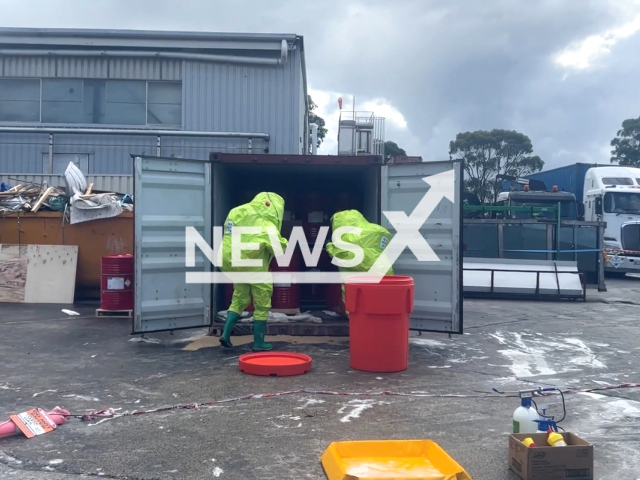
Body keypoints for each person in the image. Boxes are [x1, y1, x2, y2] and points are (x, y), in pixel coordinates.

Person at [219, 192, 288, 351]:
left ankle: (226, 334)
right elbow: (278, 249)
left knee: (239, 298)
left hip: (234, 263)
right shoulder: (267, 222)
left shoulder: (236, 212)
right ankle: (258, 343)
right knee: (262, 303)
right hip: (255, 267)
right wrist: (285, 241)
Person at [325, 210, 394, 314]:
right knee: (381, 303)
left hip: (357, 281)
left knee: (356, 306)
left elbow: (345, 256)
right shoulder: (378, 230)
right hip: (384, 273)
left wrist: (329, 247)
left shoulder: (346, 238)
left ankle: (358, 316)